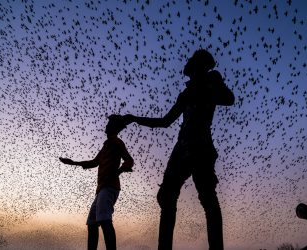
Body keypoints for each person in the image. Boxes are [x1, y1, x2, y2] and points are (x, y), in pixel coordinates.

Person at [122, 49, 235, 250]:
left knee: (207, 197)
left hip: (199, 146)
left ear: (200, 67)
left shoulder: (209, 83)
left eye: (194, 66)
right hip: (183, 148)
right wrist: (134, 119)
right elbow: (166, 122)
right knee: (167, 196)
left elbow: (229, 99)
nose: (189, 70)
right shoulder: (187, 92)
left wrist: (213, 83)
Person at [59, 115, 134, 250]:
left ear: (113, 127)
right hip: (101, 189)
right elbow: (94, 162)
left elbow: (129, 160)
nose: (105, 126)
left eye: (108, 124)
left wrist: (119, 172)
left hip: (109, 187)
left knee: (104, 220)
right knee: (92, 223)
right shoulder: (106, 145)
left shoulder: (117, 142)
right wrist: (73, 163)